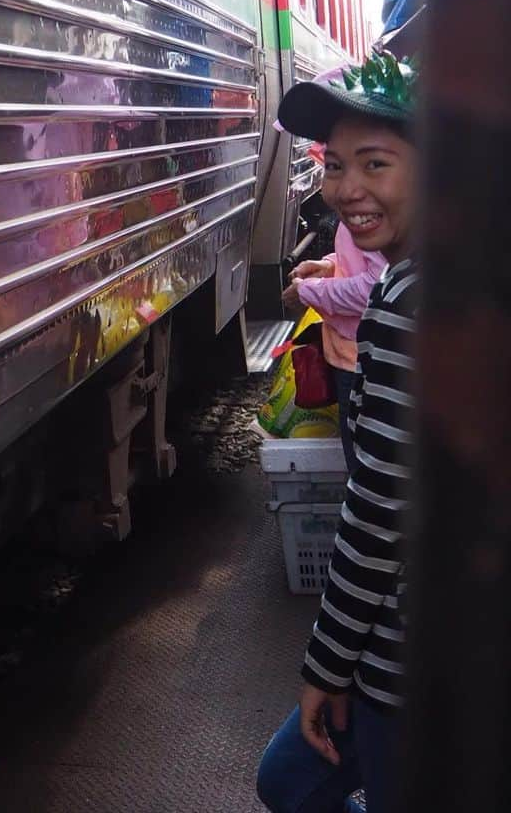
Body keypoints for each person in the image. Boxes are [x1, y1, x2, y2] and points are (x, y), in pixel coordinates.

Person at [256, 52, 418, 813]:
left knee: (290, 779)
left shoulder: (411, 302)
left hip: (408, 662)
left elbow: (379, 514)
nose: (347, 189)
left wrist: (328, 666)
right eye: (336, 165)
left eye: (375, 163)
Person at [282, 214, 386, 473]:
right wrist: (328, 266)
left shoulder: (372, 204)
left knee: (366, 473)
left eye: (335, 170)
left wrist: (309, 291)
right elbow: (369, 263)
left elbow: (374, 287)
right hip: (359, 355)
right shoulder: (375, 196)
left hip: (362, 361)